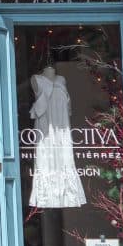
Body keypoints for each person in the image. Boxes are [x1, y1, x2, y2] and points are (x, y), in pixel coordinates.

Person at [28, 65, 86, 208]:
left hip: (61, 126)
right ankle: (46, 197)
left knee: (64, 157)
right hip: (46, 127)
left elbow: (68, 106)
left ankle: (68, 196)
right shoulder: (36, 79)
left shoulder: (62, 80)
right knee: (46, 157)